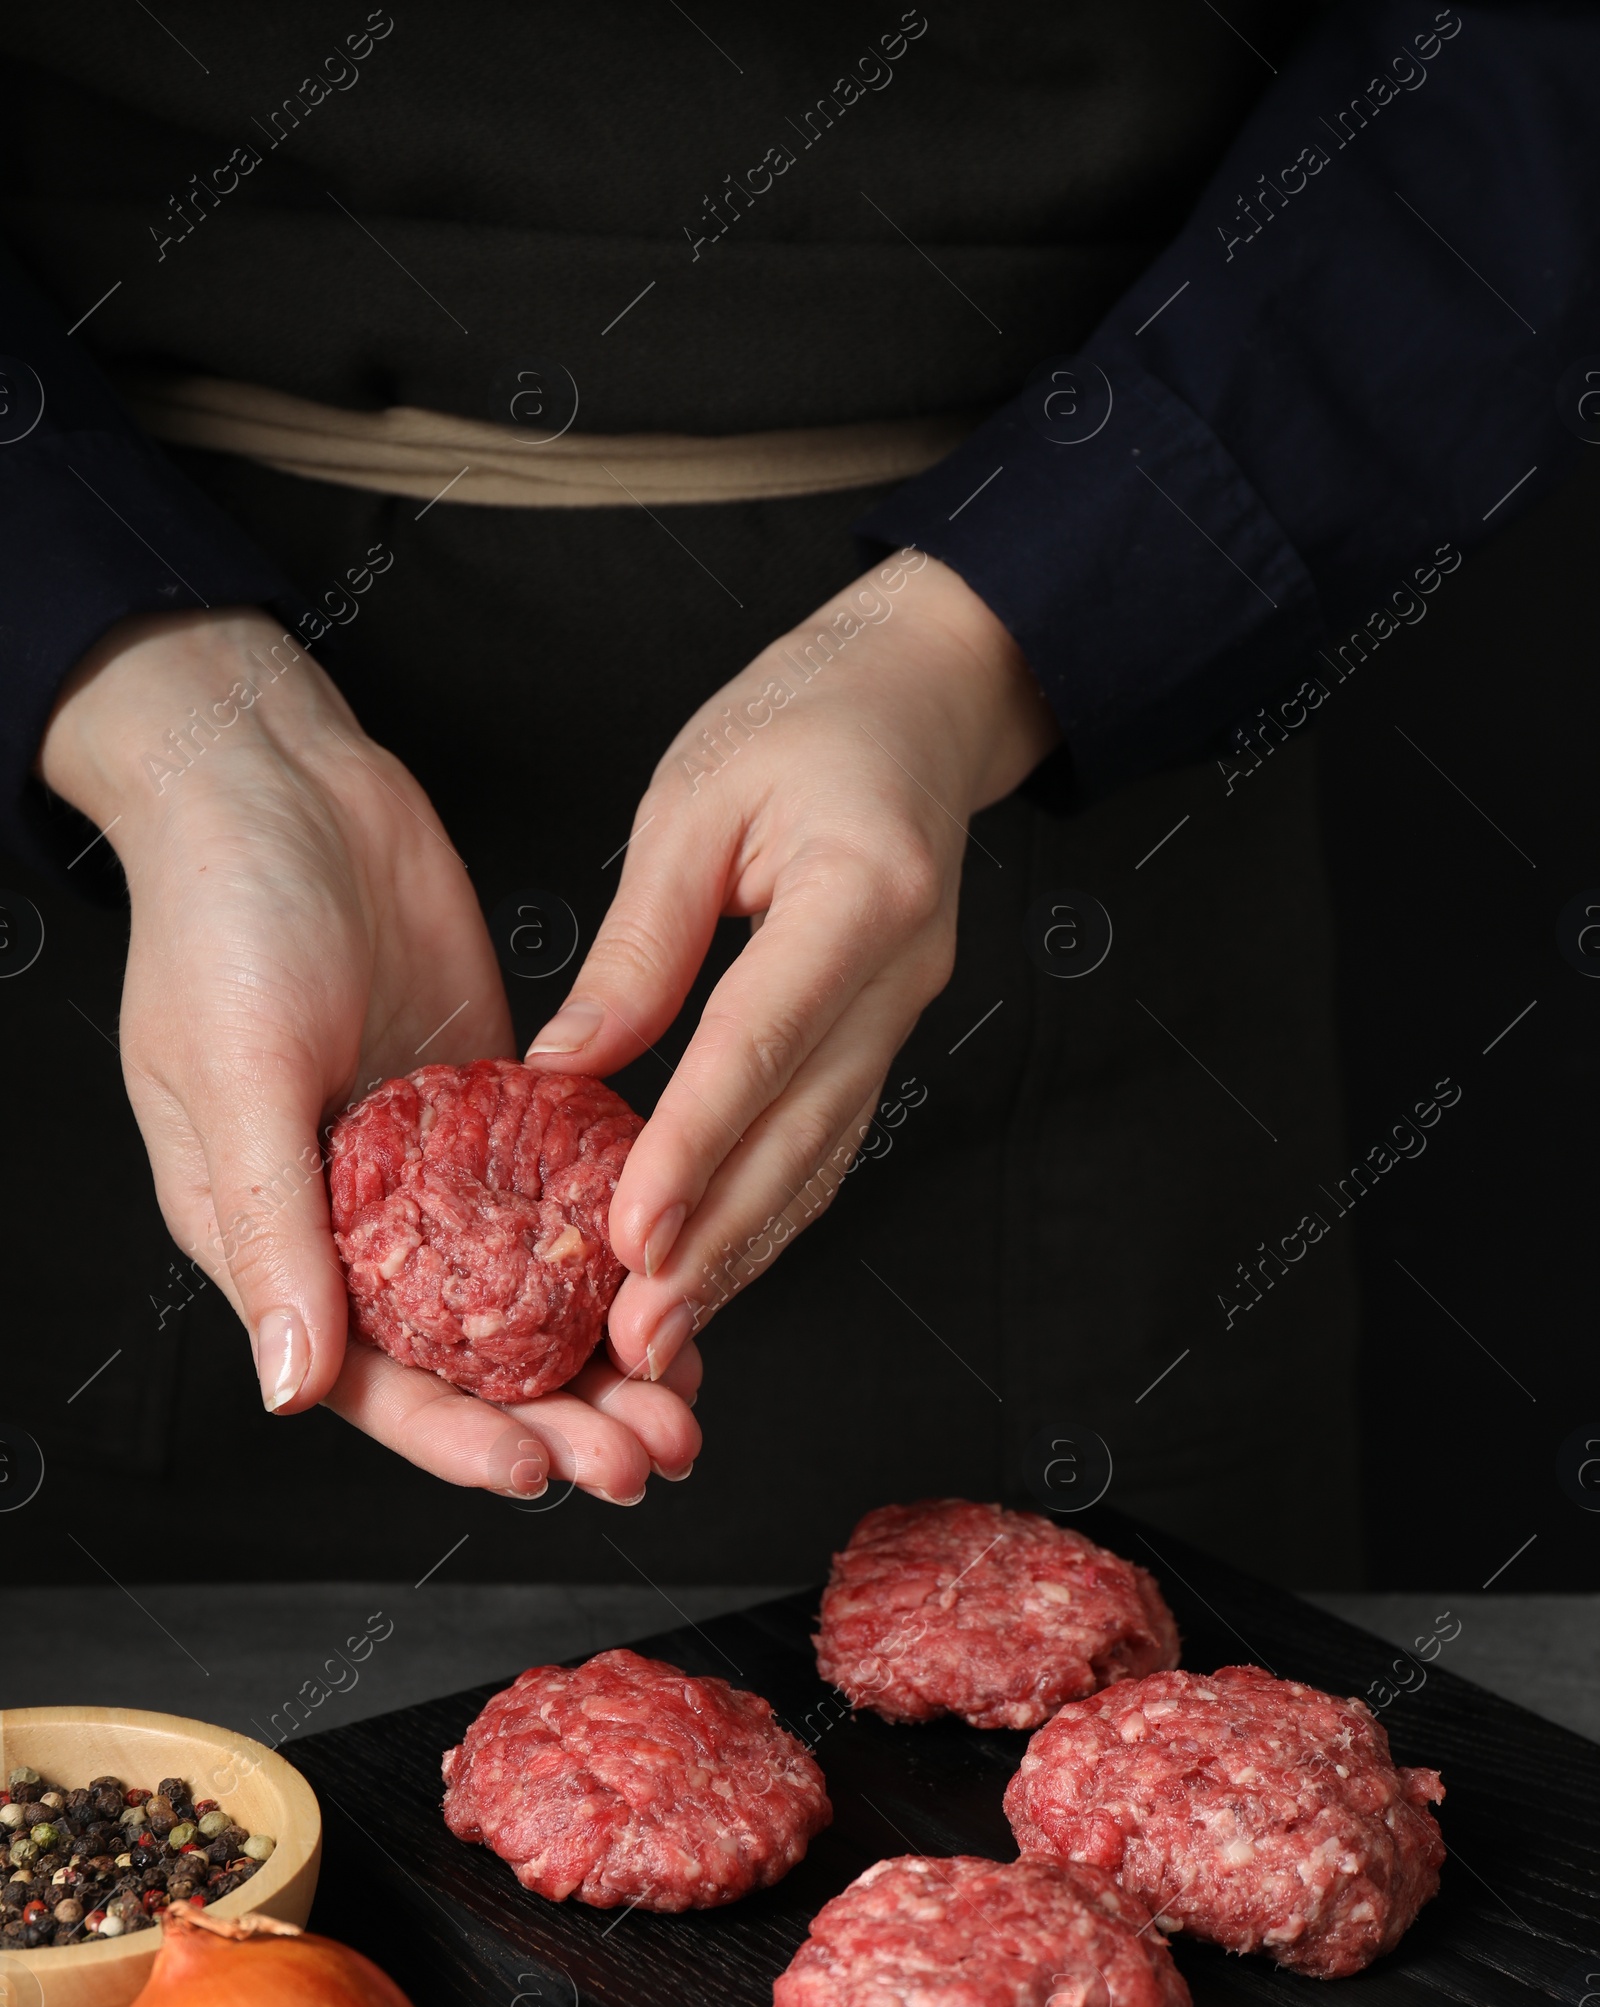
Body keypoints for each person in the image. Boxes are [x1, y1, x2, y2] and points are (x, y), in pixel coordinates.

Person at [2, 3, 1596, 1590]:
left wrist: (1004, 628)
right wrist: (144, 700)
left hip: (1072, 800)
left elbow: (1519, 67)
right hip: (150, 874)